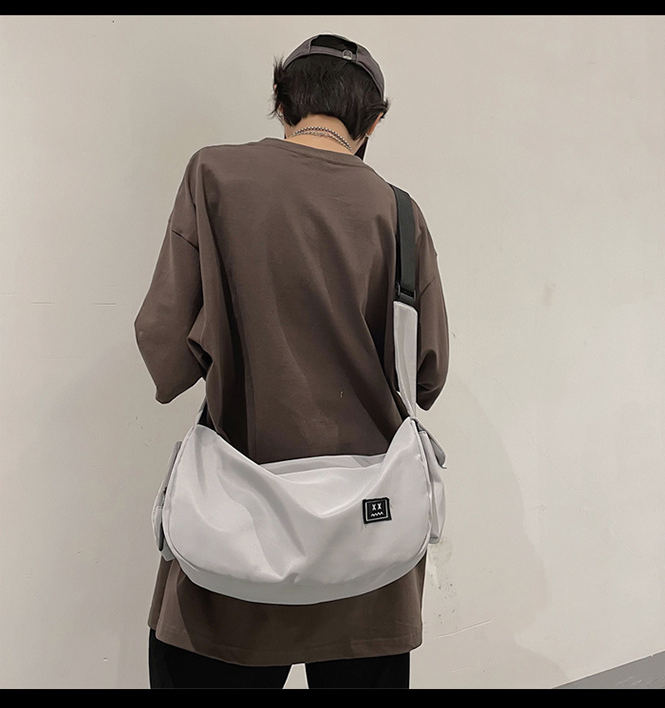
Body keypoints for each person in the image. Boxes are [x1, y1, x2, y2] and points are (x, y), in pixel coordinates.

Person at [134, 33, 450, 689]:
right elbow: (427, 374)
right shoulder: (399, 212)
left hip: (235, 535)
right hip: (368, 544)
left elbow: (165, 350)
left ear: (282, 102)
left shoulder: (215, 176)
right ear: (374, 122)